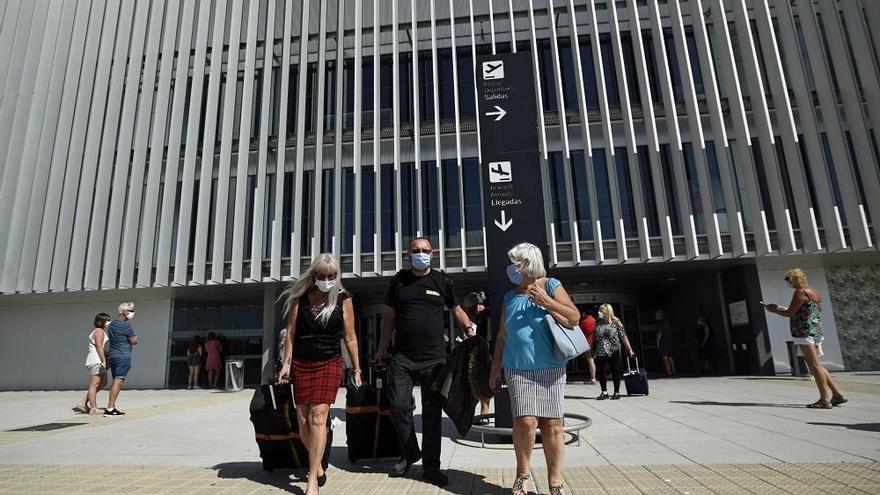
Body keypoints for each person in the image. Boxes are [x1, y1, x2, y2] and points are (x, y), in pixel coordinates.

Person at [376, 236, 476, 487]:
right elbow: (389, 316)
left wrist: (468, 327)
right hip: (402, 358)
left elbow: (456, 309)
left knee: (431, 415)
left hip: (434, 360)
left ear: (432, 253)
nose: (421, 253)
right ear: (408, 254)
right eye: (415, 250)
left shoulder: (442, 281)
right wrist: (381, 347)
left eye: (425, 250)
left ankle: (431, 467)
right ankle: (409, 451)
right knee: (399, 407)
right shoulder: (398, 281)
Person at [489, 242, 580, 495]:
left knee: (552, 425)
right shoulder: (509, 297)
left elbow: (573, 317)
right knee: (525, 422)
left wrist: (546, 301)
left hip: (551, 368)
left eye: (515, 262)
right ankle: (522, 474)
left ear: (528, 263)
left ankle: (555, 481)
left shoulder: (551, 285)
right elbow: (501, 336)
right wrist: (494, 368)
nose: (511, 268)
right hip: (518, 369)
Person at [277, 253, 362, 495]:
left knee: (318, 417)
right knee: (303, 421)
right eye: (322, 276)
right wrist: (286, 364)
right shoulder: (299, 299)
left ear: (337, 276)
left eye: (331, 276)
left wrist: (356, 368)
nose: (327, 280)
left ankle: (312, 477)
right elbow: (290, 335)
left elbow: (350, 337)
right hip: (302, 363)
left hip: (329, 362)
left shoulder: (344, 299)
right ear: (314, 276)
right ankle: (320, 467)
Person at [764, 268, 847, 409]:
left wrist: (774, 310)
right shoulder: (815, 291)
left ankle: (824, 400)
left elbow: (790, 313)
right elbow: (805, 310)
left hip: (803, 332)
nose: (788, 284)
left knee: (814, 366)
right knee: (818, 365)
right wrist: (780, 308)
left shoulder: (800, 292)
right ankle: (837, 395)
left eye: (789, 281)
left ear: (794, 279)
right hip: (816, 330)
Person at [592, 304, 635, 400]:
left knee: (615, 371)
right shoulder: (598, 321)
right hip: (600, 350)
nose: (599, 312)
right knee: (601, 371)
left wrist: (629, 349)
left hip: (614, 350)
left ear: (607, 312)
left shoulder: (616, 321)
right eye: (599, 310)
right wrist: (592, 347)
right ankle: (604, 392)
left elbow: (623, 336)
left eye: (601, 311)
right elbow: (594, 335)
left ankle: (617, 392)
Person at [105, 302, 138, 416]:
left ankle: (112, 406)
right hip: (123, 355)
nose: (132, 313)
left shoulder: (112, 324)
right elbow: (133, 340)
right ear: (123, 312)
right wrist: (135, 338)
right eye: (130, 311)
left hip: (113, 355)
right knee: (118, 381)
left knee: (116, 380)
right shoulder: (125, 325)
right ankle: (109, 408)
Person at [75, 313, 112, 415]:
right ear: (102, 321)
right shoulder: (99, 331)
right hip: (97, 360)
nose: (109, 321)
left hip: (98, 360)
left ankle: (83, 402)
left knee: (103, 382)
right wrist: (103, 360)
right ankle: (93, 408)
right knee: (95, 384)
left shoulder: (99, 331)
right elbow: (99, 347)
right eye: (108, 319)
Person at [463, 290, 492, 417]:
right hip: (485, 349)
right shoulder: (482, 316)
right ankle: (483, 411)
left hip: (487, 351)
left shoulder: (486, 314)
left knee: (482, 382)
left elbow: (489, 335)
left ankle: (484, 412)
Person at [578, 308, 597, 384]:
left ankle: (593, 378)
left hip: (588, 342)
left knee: (590, 360)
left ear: (585, 313)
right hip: (594, 342)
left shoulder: (585, 322)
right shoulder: (594, 320)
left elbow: (580, 331)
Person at [655, 309, 676, 377]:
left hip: (664, 342)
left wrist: (658, 342)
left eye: (657, 314)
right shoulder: (667, 322)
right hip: (669, 341)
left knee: (665, 358)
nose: (655, 316)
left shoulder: (660, 323)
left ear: (660, 315)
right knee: (670, 358)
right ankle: (674, 372)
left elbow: (659, 333)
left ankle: (669, 373)